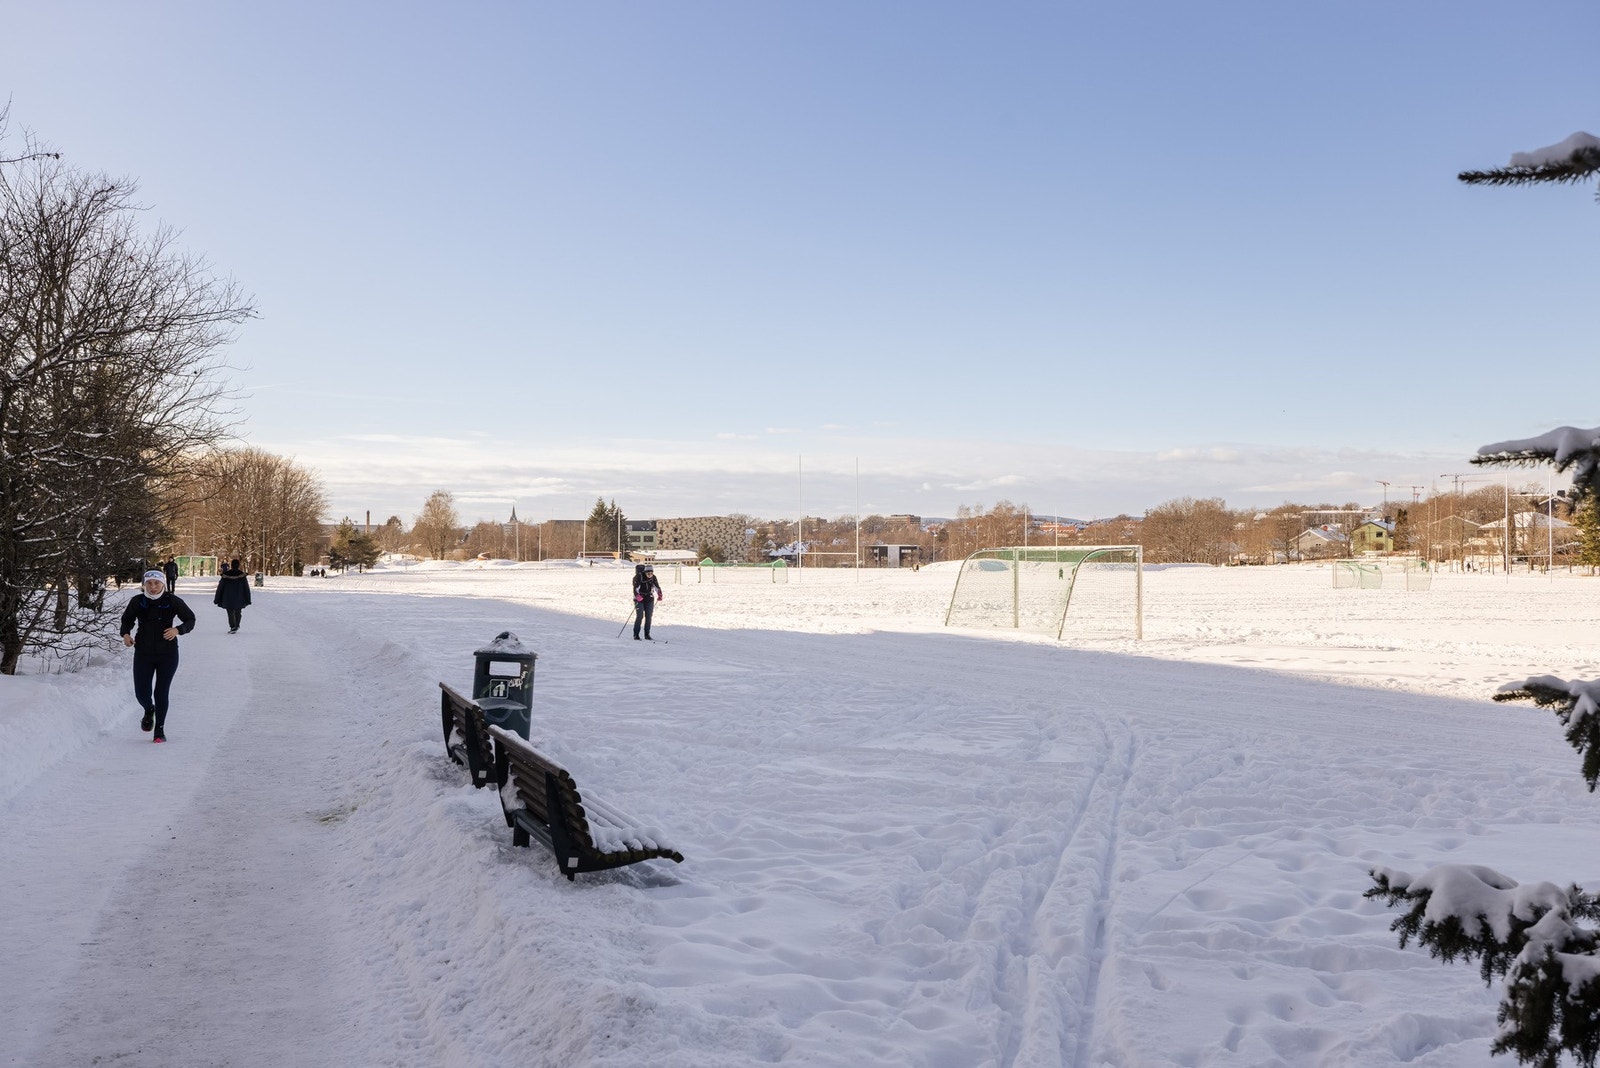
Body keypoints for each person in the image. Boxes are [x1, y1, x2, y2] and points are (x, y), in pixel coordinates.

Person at [119, 570, 196, 743]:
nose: (153, 587)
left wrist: (178, 630)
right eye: (149, 583)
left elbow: (190, 619)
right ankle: (148, 709)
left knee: (161, 691)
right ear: (144, 584)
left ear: (163, 584)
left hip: (167, 654)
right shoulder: (138, 601)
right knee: (141, 693)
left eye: (157, 583)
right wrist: (125, 634)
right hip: (143, 653)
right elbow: (127, 620)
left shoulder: (172, 601)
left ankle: (159, 730)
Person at [214, 557, 252, 633]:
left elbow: (220, 588)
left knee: (230, 612)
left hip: (228, 597)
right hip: (239, 597)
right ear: (238, 565)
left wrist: (217, 599)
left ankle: (233, 626)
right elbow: (246, 588)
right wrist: (248, 599)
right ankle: (237, 625)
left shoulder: (226, 575)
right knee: (238, 611)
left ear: (231, 565)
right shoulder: (242, 576)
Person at [631, 562, 664, 640]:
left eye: (651, 573)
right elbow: (635, 589)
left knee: (648, 617)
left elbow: (657, 587)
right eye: (648, 573)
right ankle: (636, 634)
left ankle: (647, 634)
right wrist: (637, 596)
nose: (649, 575)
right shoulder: (639, 577)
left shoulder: (653, 577)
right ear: (645, 572)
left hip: (649, 598)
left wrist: (660, 594)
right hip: (639, 599)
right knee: (640, 616)